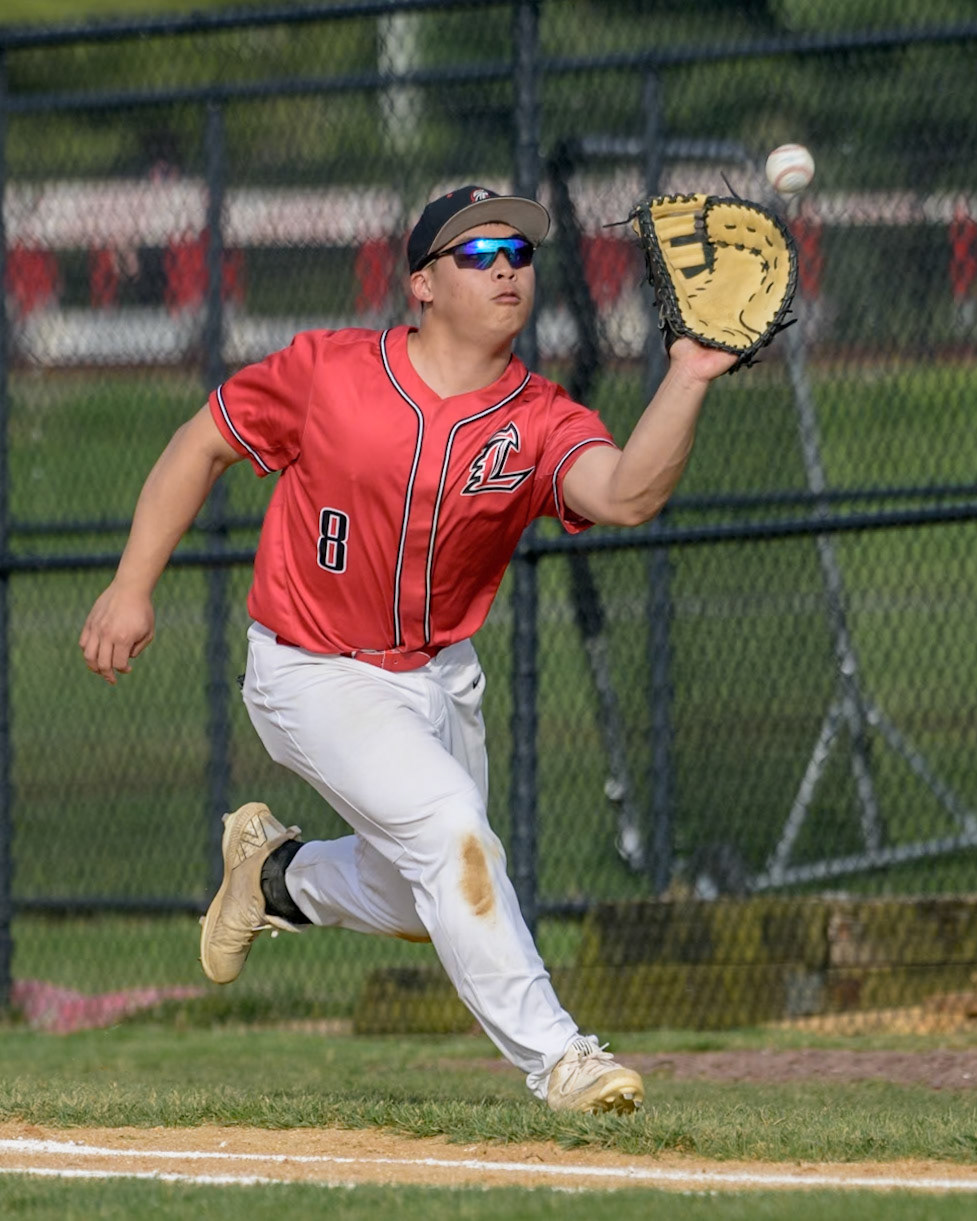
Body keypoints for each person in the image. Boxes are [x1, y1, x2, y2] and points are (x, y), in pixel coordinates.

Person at [80, 184, 736, 1114]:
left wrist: (690, 373)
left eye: (517, 253)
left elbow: (626, 493)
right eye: (475, 254)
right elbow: (202, 442)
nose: (504, 266)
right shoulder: (331, 371)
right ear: (421, 283)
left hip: (438, 678)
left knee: (418, 895)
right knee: (452, 838)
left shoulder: (540, 418)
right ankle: (562, 1058)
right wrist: (131, 583)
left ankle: (274, 875)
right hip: (311, 669)